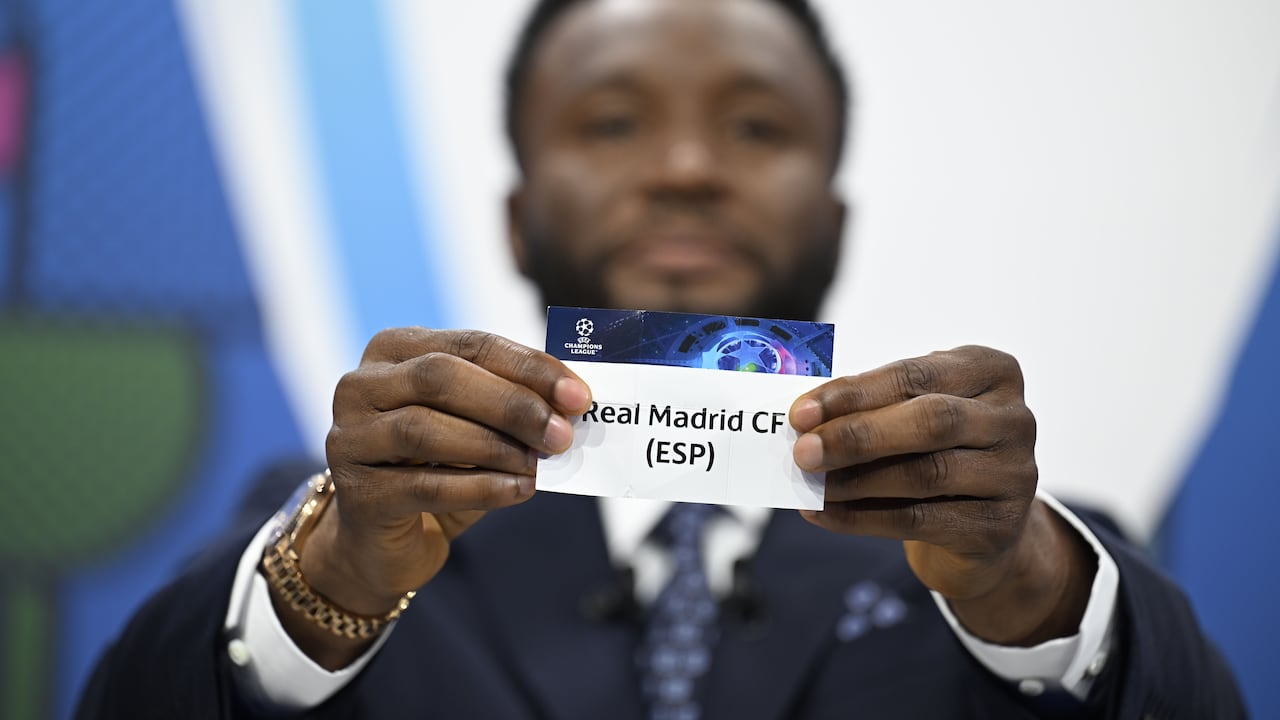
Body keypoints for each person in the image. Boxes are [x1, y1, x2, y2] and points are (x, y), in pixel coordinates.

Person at [77, 0, 1244, 718]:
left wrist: (1028, 583)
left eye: (755, 127)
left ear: (833, 220)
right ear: (519, 219)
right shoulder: (351, 530)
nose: (686, 166)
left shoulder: (1001, 550)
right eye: (611, 122)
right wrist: (329, 575)